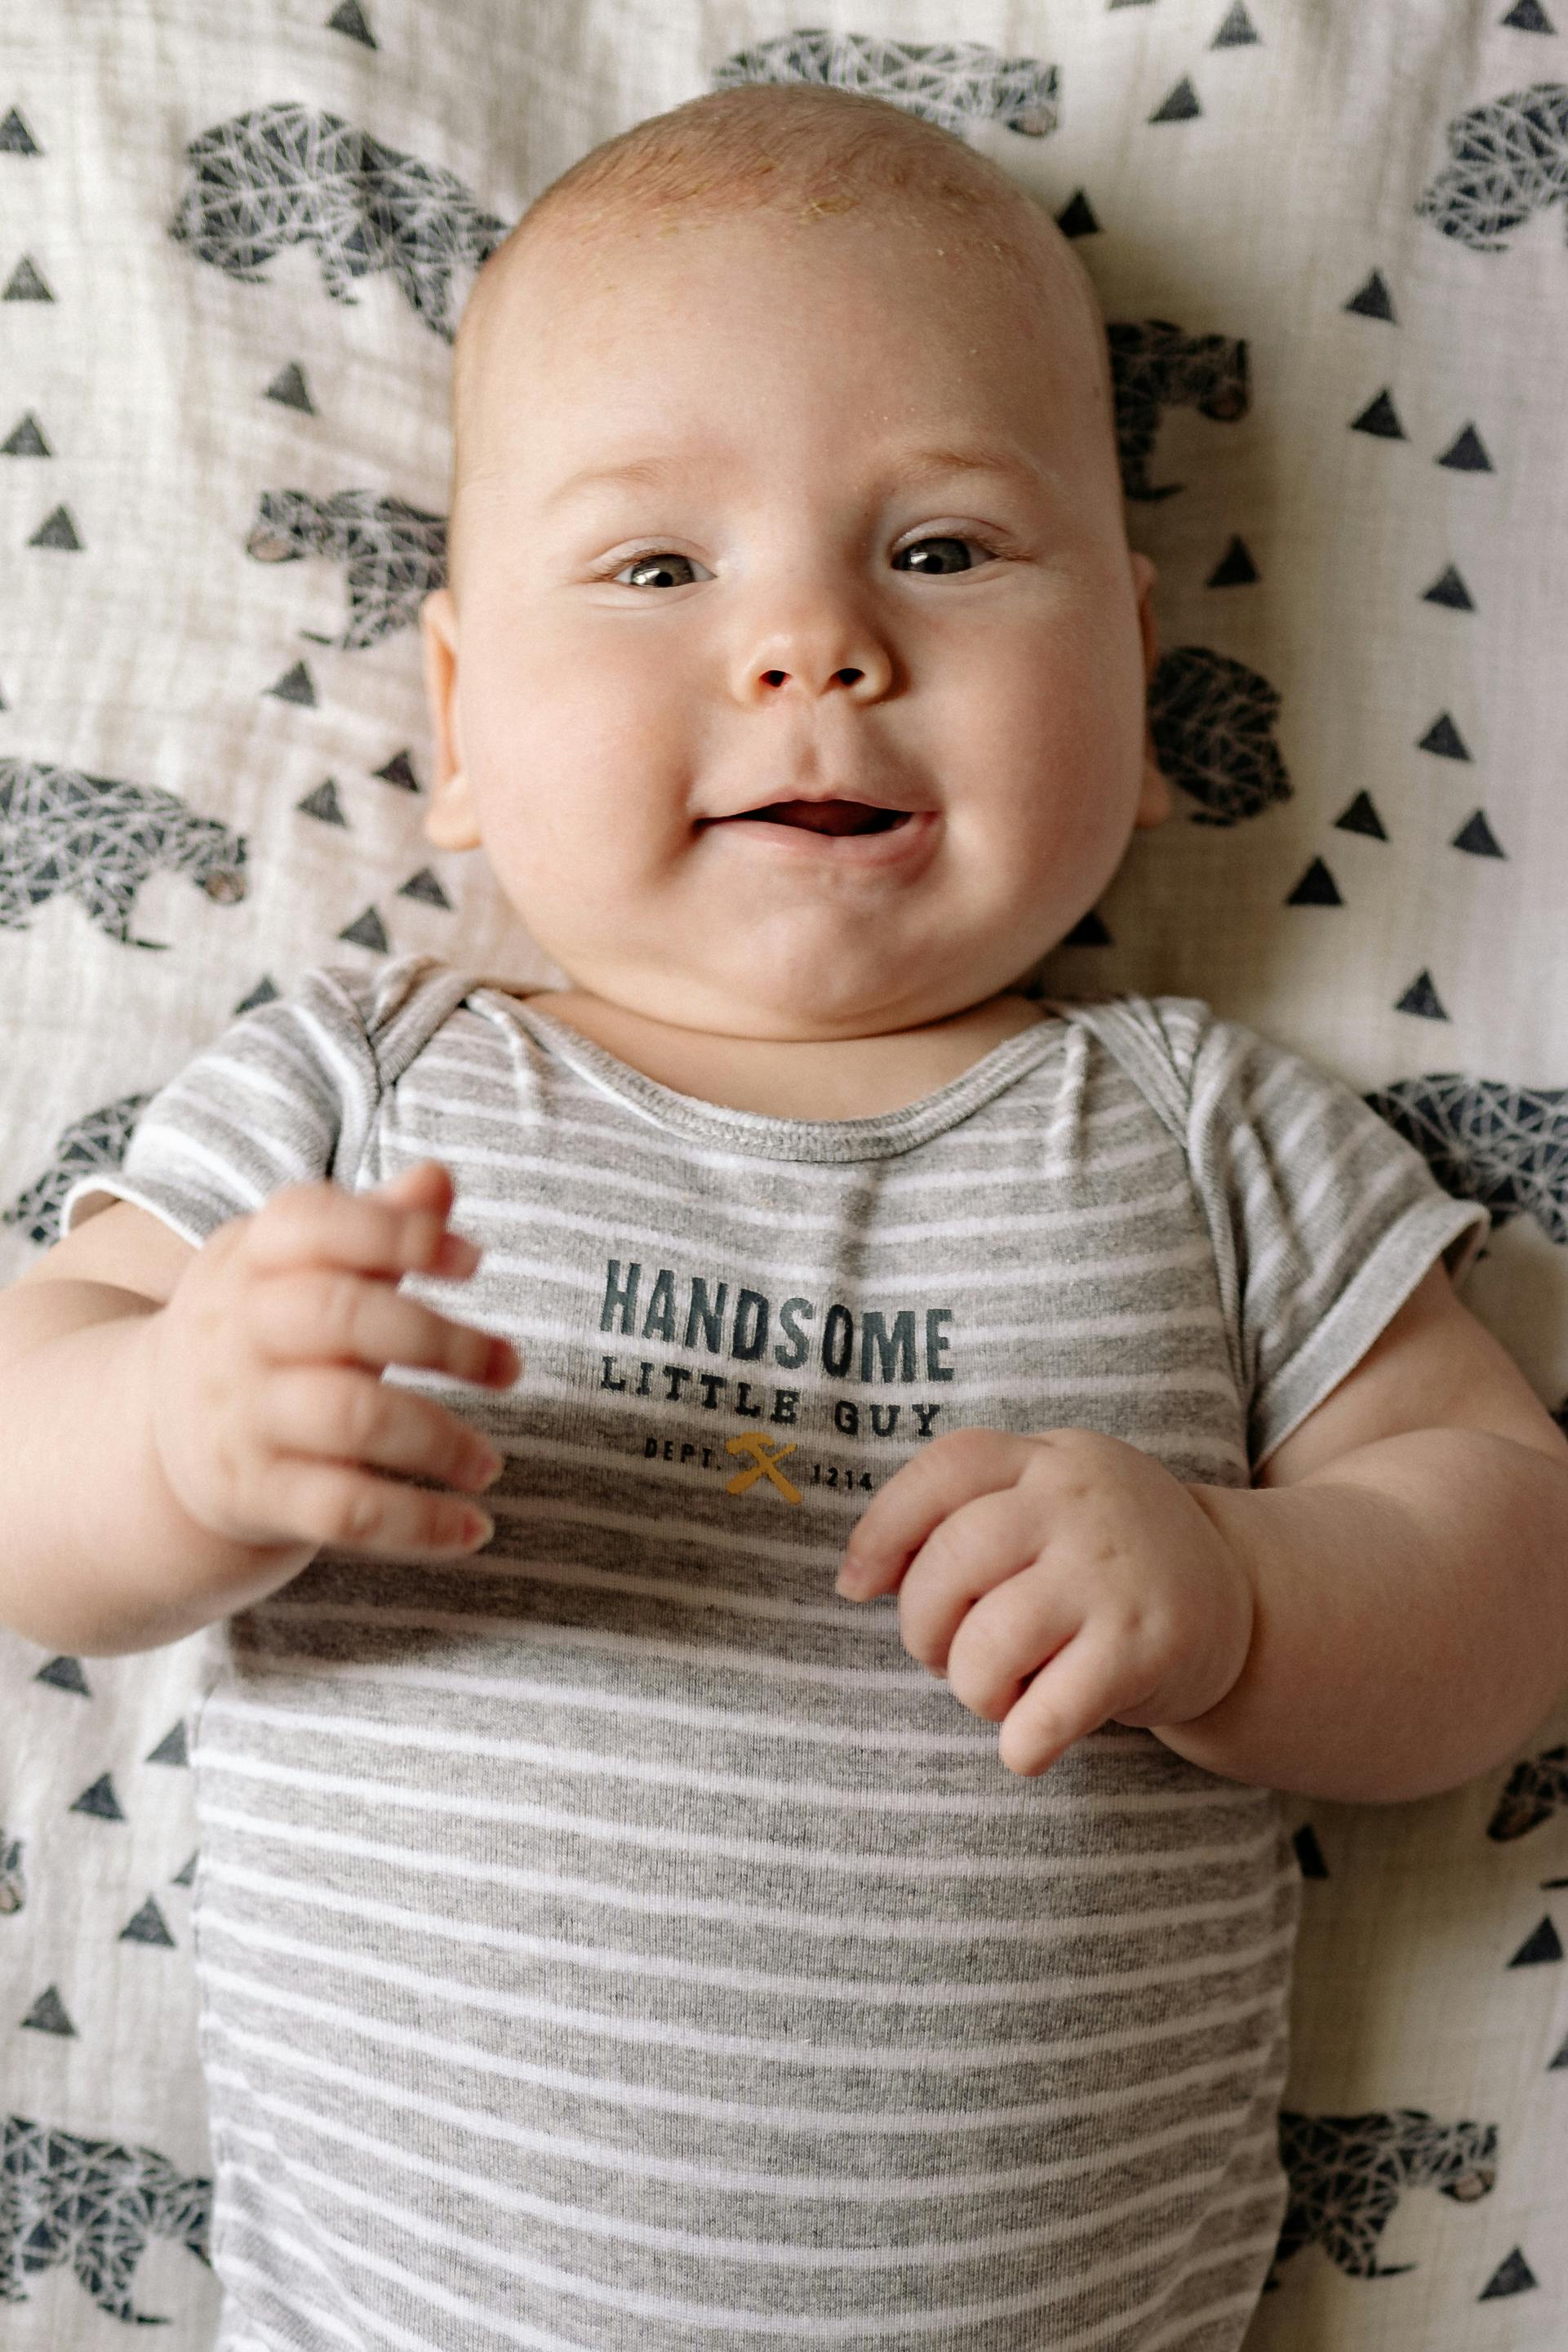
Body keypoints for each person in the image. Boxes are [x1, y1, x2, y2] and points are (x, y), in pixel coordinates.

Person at [3, 78, 1566, 2352]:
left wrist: (1243, 1592)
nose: (809, 644)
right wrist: (170, 1430)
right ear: (456, 712)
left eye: (939, 549)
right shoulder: (364, 1085)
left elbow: (1511, 1565)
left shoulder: (1203, 1133)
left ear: (1138, 682)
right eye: (657, 568)